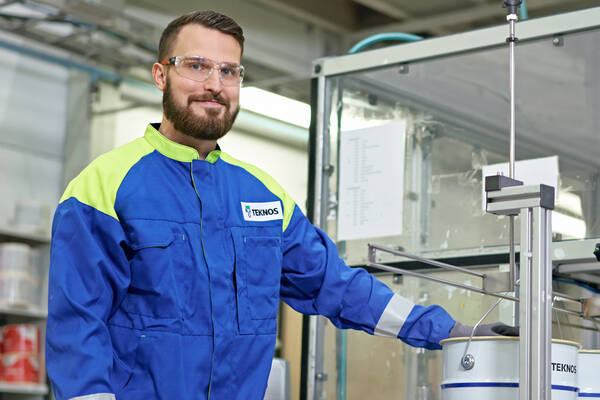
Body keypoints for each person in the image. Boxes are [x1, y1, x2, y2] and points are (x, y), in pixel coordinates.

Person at [46, 10, 514, 400]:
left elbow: (338, 285)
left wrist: (449, 330)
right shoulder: (103, 187)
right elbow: (77, 330)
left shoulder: (263, 195)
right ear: (160, 74)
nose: (214, 84)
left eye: (229, 71)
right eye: (196, 65)